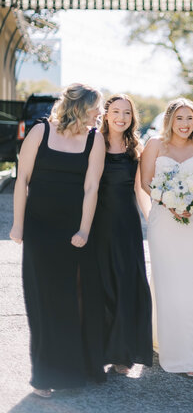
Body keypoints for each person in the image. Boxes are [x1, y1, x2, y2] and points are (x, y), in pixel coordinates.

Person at [9, 83, 106, 398]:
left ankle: (69, 370)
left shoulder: (95, 139)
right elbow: (22, 180)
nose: (100, 114)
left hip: (72, 234)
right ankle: (42, 375)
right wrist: (18, 225)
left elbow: (92, 188)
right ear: (81, 107)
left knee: (67, 301)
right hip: (39, 230)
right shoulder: (40, 132)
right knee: (40, 301)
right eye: (96, 109)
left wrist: (84, 230)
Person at [140, 98, 193, 377]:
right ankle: (169, 347)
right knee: (167, 283)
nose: (185, 124)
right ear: (170, 120)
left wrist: (192, 203)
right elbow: (145, 182)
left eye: (189, 118)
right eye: (179, 118)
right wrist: (169, 201)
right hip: (164, 221)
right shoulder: (154, 145)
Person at [94, 95, 152, 374]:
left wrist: (151, 218)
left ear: (132, 117)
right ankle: (100, 349)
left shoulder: (135, 147)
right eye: (115, 111)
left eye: (126, 113)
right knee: (103, 284)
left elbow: (140, 188)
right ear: (105, 114)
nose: (121, 117)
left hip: (127, 225)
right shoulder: (93, 142)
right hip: (99, 223)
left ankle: (122, 353)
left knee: (127, 284)